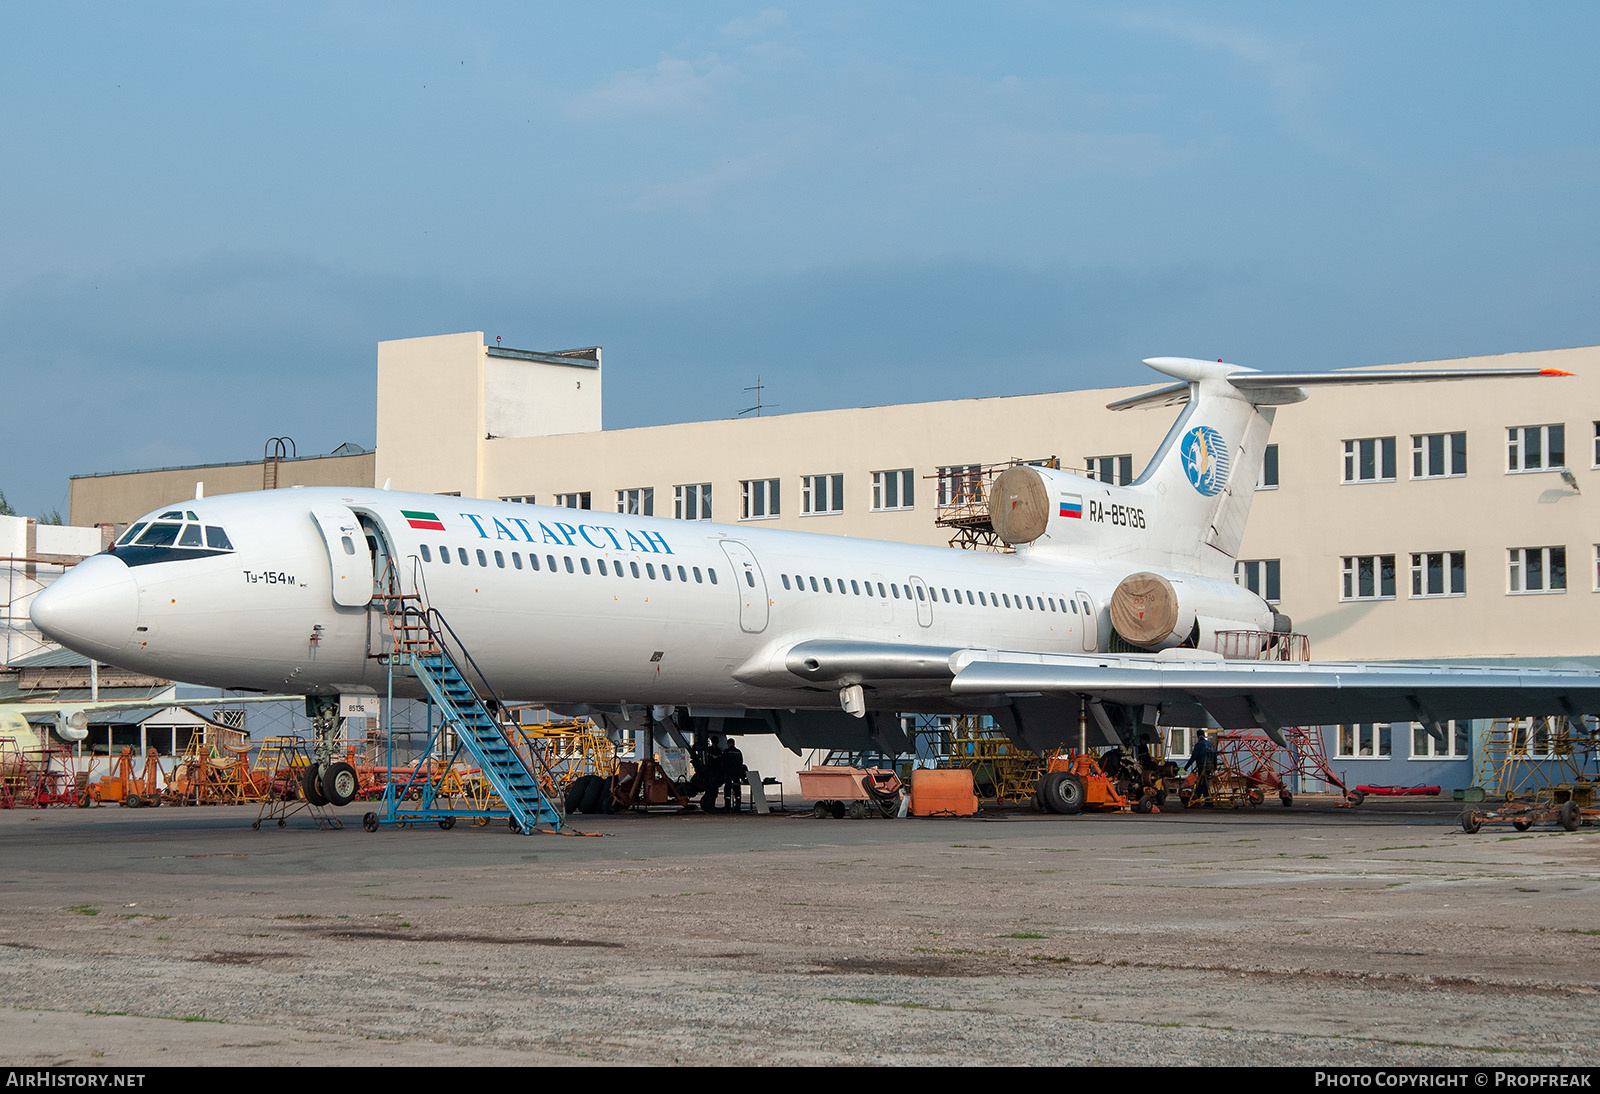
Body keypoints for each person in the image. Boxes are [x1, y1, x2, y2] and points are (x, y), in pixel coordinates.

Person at [1186, 729, 1216, 799]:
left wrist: (1187, 766)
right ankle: (1197, 796)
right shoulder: (1210, 744)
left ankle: (1207, 800)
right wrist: (1215, 766)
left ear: (1197, 736)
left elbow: (1194, 756)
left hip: (1202, 766)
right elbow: (1215, 756)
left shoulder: (1199, 745)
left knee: (1204, 783)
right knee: (1202, 782)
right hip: (1210, 767)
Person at [720, 737, 746, 813]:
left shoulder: (727, 751)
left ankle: (727, 806)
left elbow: (723, 762)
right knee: (737, 790)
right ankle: (738, 805)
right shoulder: (738, 752)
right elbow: (741, 763)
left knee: (727, 789)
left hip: (728, 774)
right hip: (736, 774)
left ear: (728, 744)